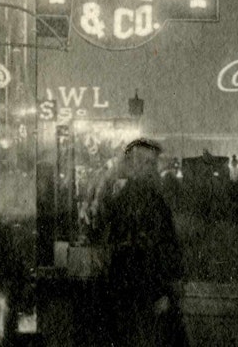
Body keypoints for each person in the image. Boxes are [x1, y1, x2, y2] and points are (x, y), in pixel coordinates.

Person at [93, 139, 188, 347]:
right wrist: (161, 290)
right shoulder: (148, 200)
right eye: (148, 163)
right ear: (135, 165)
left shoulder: (122, 199)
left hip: (128, 295)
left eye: (153, 163)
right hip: (145, 295)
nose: (153, 169)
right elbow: (151, 248)